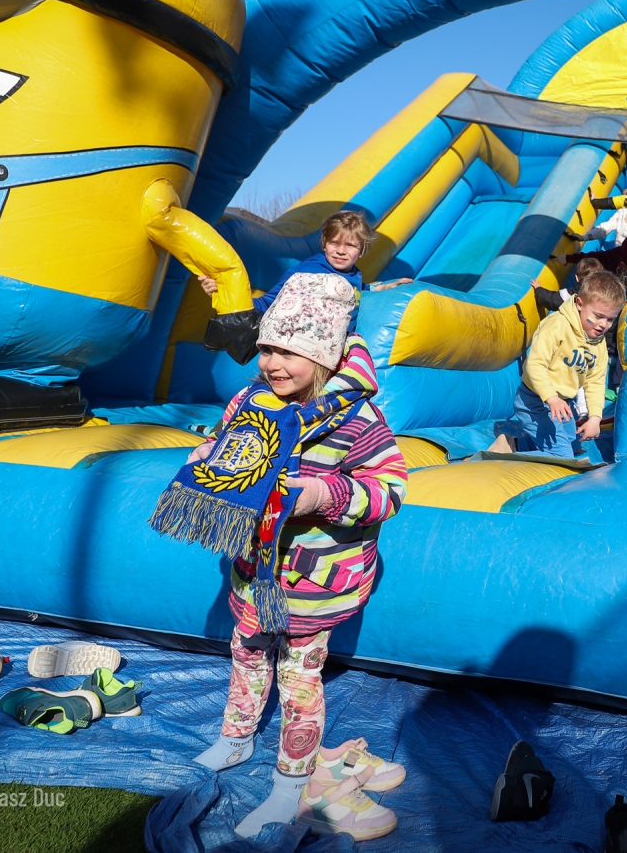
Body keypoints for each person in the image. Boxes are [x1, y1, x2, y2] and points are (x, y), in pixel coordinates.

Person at [186, 274, 409, 839]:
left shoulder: (356, 420)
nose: (272, 363)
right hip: (255, 568)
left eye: (289, 351)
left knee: (300, 677)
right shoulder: (251, 402)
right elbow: (223, 442)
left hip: (314, 580)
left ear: (324, 354)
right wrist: (206, 457)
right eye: (266, 348)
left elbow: (390, 489)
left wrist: (322, 495)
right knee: (246, 649)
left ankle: (293, 781)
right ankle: (237, 737)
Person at [489, 270, 627, 457]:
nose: (603, 324)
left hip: (563, 404)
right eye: (598, 316)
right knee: (562, 455)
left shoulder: (598, 343)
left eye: (610, 319)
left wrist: (595, 418)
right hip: (536, 400)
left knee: (573, 447)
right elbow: (535, 365)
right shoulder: (557, 326)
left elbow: (595, 381)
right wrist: (551, 397)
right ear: (579, 304)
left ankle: (514, 443)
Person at [196, 211, 409, 309]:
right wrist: (222, 290)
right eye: (335, 243)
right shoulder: (307, 272)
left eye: (350, 245)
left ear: (362, 251)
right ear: (324, 244)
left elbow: (355, 289)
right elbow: (269, 302)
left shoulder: (353, 274)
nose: (341, 251)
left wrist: (381, 288)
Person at [533, 256, 603, 313]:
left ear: (577, 278)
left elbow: (551, 300)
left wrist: (538, 289)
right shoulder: (604, 292)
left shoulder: (572, 295)